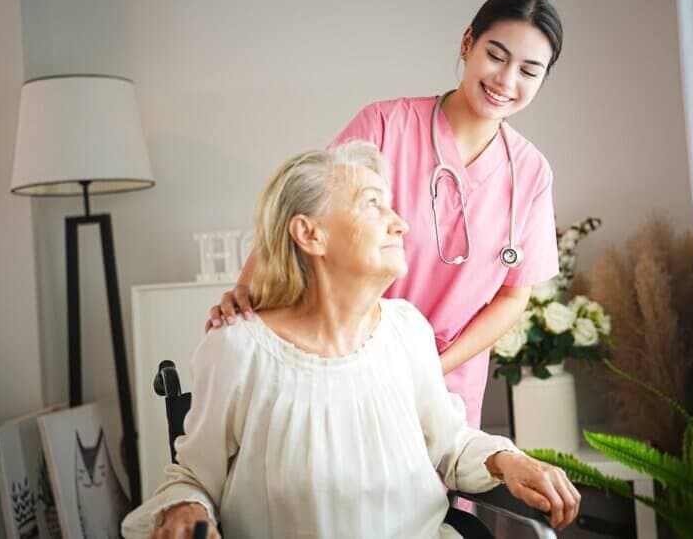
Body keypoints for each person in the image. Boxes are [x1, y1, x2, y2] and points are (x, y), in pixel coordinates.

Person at [123, 142, 579, 538]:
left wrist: (507, 460)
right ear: (309, 233)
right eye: (372, 204)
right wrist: (186, 507)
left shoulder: (406, 330)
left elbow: (450, 445)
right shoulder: (239, 348)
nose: (399, 223)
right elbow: (192, 478)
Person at [211, 0, 564, 430]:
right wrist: (247, 289)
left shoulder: (531, 173)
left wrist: (431, 368)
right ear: (467, 43)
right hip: (350, 361)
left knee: (438, 494)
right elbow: (303, 209)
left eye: (529, 71)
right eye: (496, 55)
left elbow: (514, 295)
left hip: (444, 382)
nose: (506, 81)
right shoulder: (385, 125)